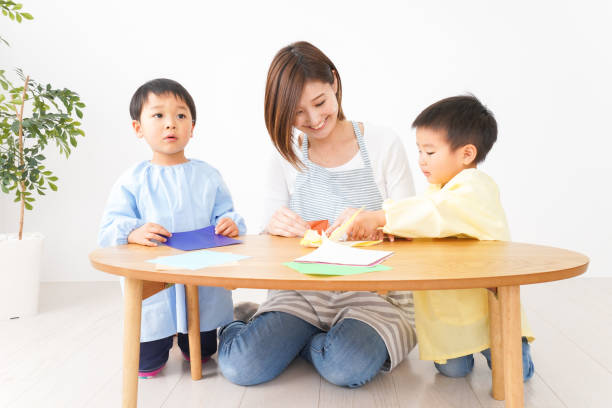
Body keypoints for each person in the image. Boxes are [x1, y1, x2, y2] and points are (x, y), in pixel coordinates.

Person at [217, 41, 417, 388]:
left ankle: (297, 343)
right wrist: (273, 228)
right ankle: (241, 323)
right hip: (302, 292)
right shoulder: (285, 155)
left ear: (335, 82)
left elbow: (414, 225)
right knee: (241, 367)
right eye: (297, 113)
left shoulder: (384, 143)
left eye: (320, 103)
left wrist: (377, 220)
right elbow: (268, 242)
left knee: (346, 367)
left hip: (375, 295)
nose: (313, 119)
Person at [331, 95, 535, 380]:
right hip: (450, 311)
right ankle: (463, 352)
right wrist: (393, 231)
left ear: (466, 154)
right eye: (419, 151)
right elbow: (423, 223)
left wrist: (381, 216)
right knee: (453, 371)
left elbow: (435, 214)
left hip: (486, 307)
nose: (421, 161)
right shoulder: (436, 190)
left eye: (430, 152)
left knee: (516, 373)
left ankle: (514, 344)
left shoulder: (475, 188)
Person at [98, 78, 246, 378]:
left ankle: (216, 330)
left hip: (201, 281)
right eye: (158, 115)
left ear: (192, 127)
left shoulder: (208, 175)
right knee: (146, 364)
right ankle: (162, 339)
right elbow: (109, 227)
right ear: (138, 128)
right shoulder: (133, 180)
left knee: (203, 353)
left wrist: (229, 224)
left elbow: (228, 215)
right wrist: (132, 231)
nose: (171, 124)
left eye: (180, 116)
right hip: (156, 285)